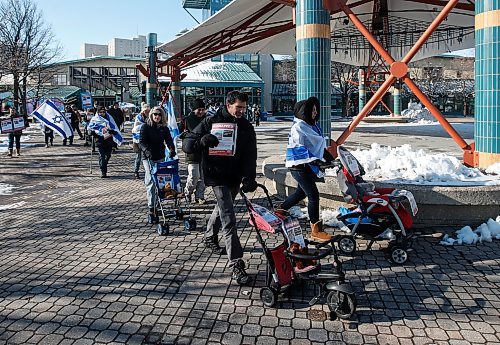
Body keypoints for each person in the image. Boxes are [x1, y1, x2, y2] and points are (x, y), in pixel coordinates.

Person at [183, 90, 257, 285]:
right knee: (229, 217)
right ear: (228, 105)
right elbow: (188, 144)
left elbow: (251, 154)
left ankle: (209, 236)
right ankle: (236, 264)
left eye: (244, 107)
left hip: (235, 176)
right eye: (238, 107)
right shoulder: (210, 121)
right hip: (216, 175)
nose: (241, 111)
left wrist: (250, 177)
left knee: (223, 207)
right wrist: (202, 141)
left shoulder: (247, 127)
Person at [277, 97, 334, 241]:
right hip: (298, 166)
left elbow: (317, 145)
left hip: (306, 165)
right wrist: (317, 161)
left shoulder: (313, 125)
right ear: (304, 112)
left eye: (316, 110)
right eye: (312, 110)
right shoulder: (298, 127)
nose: (315, 113)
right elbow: (299, 148)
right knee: (313, 195)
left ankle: (280, 211)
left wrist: (328, 157)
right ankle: (315, 229)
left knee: (300, 193)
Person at [139, 106, 176, 220]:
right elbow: (141, 142)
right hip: (148, 157)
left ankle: (158, 203)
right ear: (151, 115)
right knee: (151, 180)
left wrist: (171, 149)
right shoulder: (145, 126)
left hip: (160, 156)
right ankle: (151, 206)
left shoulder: (164, 128)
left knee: (159, 180)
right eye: (155, 114)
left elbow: (169, 140)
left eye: (159, 115)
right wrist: (146, 150)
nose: (157, 116)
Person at [180, 98, 207, 204]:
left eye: (202, 109)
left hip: (204, 151)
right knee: (194, 175)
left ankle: (200, 196)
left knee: (203, 177)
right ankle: (187, 192)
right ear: (194, 110)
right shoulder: (187, 120)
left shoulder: (207, 119)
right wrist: (184, 134)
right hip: (192, 152)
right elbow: (179, 132)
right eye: (198, 109)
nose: (201, 112)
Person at [89, 106, 117, 178]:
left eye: (103, 112)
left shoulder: (109, 119)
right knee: (102, 156)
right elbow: (90, 128)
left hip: (108, 139)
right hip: (99, 139)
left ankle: (103, 164)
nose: (102, 113)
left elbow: (115, 128)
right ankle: (103, 172)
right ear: (98, 113)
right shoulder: (95, 119)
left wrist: (112, 131)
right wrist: (92, 133)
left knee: (108, 155)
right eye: (100, 112)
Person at [132, 103, 149, 179]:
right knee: (138, 157)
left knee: (147, 157)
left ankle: (148, 171)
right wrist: (145, 125)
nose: (147, 112)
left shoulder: (151, 117)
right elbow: (136, 128)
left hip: (147, 140)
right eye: (146, 111)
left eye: (148, 110)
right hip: (137, 140)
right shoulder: (138, 117)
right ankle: (136, 171)